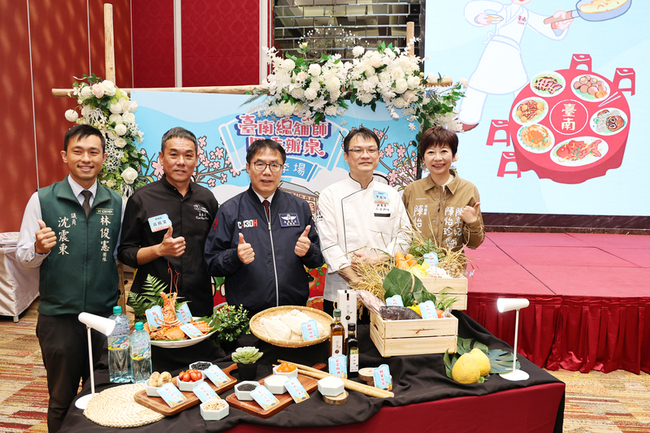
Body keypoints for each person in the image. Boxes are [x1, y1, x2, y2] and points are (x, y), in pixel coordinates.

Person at [16, 124, 123, 433]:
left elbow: (121, 255)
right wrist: (39, 248)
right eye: (78, 151)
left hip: (104, 319)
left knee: (105, 398)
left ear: (103, 158)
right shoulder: (42, 199)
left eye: (93, 152)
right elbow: (23, 257)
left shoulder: (117, 202)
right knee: (61, 400)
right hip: (59, 318)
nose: (86, 158)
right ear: (65, 156)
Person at [204, 139, 323, 317]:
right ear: (248, 167)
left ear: (282, 169)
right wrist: (235, 257)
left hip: (293, 312)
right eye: (260, 164)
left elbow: (317, 259)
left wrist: (308, 251)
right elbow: (212, 263)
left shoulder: (299, 207)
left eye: (274, 165)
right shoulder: (229, 210)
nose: (267, 172)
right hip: (246, 316)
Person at [118, 127, 218, 318]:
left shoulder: (207, 199)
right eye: (173, 155)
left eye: (188, 155)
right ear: (161, 158)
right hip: (153, 303)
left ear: (197, 159)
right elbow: (125, 253)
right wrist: (159, 250)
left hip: (198, 301)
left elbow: (214, 248)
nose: (181, 162)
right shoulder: (141, 199)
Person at [316, 127, 410, 315]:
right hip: (342, 292)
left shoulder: (390, 194)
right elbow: (328, 246)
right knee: (342, 334)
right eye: (357, 150)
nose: (365, 155)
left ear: (379, 155)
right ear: (346, 156)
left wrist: (379, 259)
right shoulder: (330, 194)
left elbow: (405, 235)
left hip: (385, 290)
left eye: (371, 150)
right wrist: (362, 285)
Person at [458, 0, 573, 130]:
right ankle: (468, 118)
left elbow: (544, 24)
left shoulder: (526, 14)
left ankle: (529, 117)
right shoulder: (500, 8)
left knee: (520, 84)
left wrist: (557, 25)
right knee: (478, 83)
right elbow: (474, 7)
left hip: (512, 51)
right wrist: (478, 18)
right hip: (494, 48)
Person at [402, 126, 485, 252]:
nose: (437, 158)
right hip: (416, 263)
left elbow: (474, 244)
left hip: (453, 263)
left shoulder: (468, 190)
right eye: (431, 152)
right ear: (423, 158)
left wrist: (473, 222)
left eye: (444, 151)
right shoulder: (412, 190)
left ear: (454, 156)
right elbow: (401, 233)